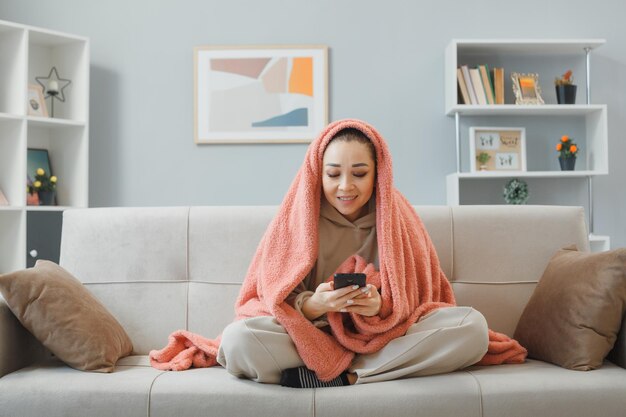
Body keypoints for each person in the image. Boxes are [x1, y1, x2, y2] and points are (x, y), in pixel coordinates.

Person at [216, 120, 497, 388]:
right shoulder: (297, 217)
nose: (345, 186)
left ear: (378, 173)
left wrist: (380, 308)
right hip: (308, 339)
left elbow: (418, 300)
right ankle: (367, 368)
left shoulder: (398, 218)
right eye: (333, 174)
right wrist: (316, 304)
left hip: (385, 339)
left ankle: (347, 375)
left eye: (359, 174)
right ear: (317, 172)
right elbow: (273, 298)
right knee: (239, 340)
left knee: (472, 328)